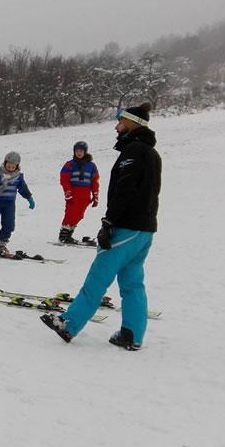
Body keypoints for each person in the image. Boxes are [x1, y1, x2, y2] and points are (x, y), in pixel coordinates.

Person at [42, 102, 161, 351]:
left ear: (132, 124)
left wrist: (109, 222)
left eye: (120, 123)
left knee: (99, 276)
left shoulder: (134, 151)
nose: (116, 128)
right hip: (144, 228)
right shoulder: (151, 153)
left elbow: (126, 189)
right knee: (132, 283)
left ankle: (69, 324)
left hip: (126, 226)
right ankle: (131, 334)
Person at [58, 141, 100, 244]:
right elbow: (64, 179)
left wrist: (95, 195)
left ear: (85, 152)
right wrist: (68, 192)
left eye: (81, 151)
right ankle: (63, 235)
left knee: (79, 214)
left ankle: (69, 234)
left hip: (85, 194)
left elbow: (95, 181)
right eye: (77, 151)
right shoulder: (69, 164)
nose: (79, 153)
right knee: (71, 213)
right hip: (73, 193)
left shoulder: (92, 166)